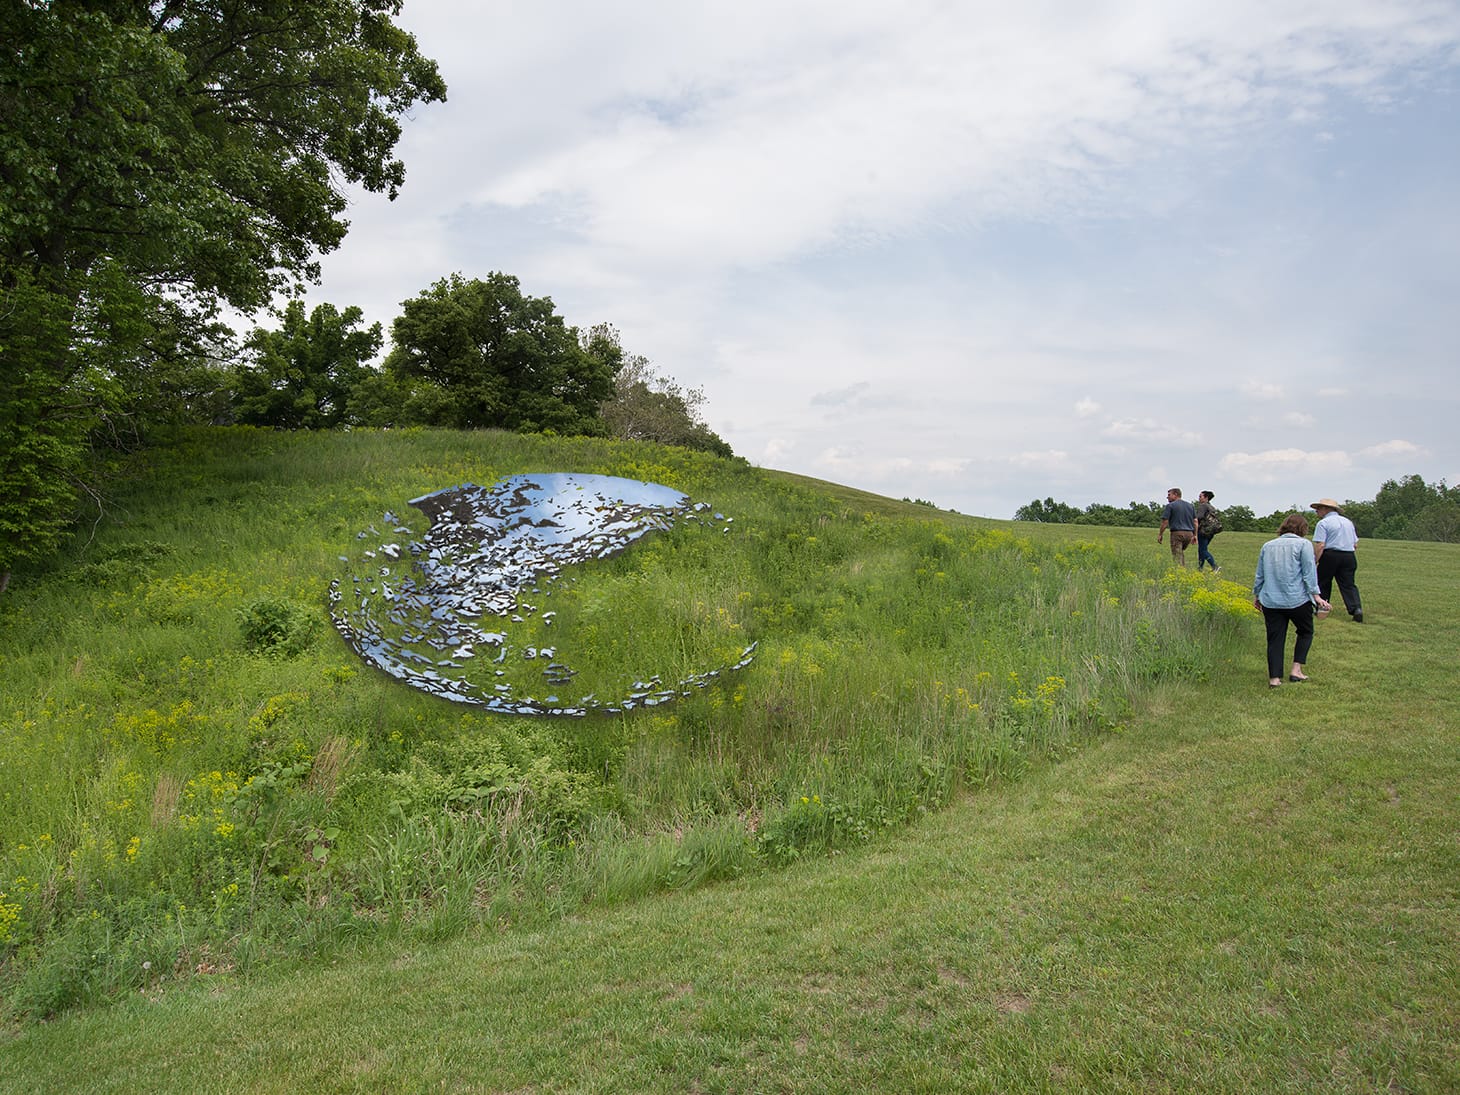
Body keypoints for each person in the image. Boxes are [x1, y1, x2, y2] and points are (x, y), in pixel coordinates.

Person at [1253, 514, 1330, 687]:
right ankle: (1296, 670)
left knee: (1275, 638)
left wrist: (1257, 594)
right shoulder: (1304, 545)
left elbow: (1260, 574)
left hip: (1271, 600)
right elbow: (1309, 572)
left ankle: (1274, 678)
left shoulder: (1268, 546)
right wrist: (1316, 596)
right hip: (1297, 599)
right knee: (1305, 631)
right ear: (1303, 528)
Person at [1311, 498, 1363, 622]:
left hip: (1331, 554)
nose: (1316, 511)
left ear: (1325, 509)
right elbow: (1355, 544)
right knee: (1348, 584)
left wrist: (1314, 560)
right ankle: (1356, 608)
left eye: (1318, 509)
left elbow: (1321, 545)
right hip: (1349, 555)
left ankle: (1322, 608)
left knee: (1323, 581)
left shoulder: (1323, 523)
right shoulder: (1348, 522)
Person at [1157, 487, 1197, 567]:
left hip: (1177, 533)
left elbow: (1165, 522)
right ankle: (1183, 569)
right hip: (1189, 534)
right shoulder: (1190, 506)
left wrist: (1160, 534)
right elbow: (1195, 522)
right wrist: (1195, 535)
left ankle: (1179, 572)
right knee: (1180, 552)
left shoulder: (1170, 506)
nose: (1167, 497)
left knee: (1177, 556)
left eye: (1169, 495)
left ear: (1175, 495)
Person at [1194, 489, 1220, 572]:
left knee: (1203, 550)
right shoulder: (1211, 507)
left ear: (1206, 497)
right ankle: (1200, 568)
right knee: (1202, 549)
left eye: (1200, 496)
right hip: (1210, 531)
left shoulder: (1203, 506)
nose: (1199, 498)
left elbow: (1198, 517)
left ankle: (1214, 566)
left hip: (1203, 531)